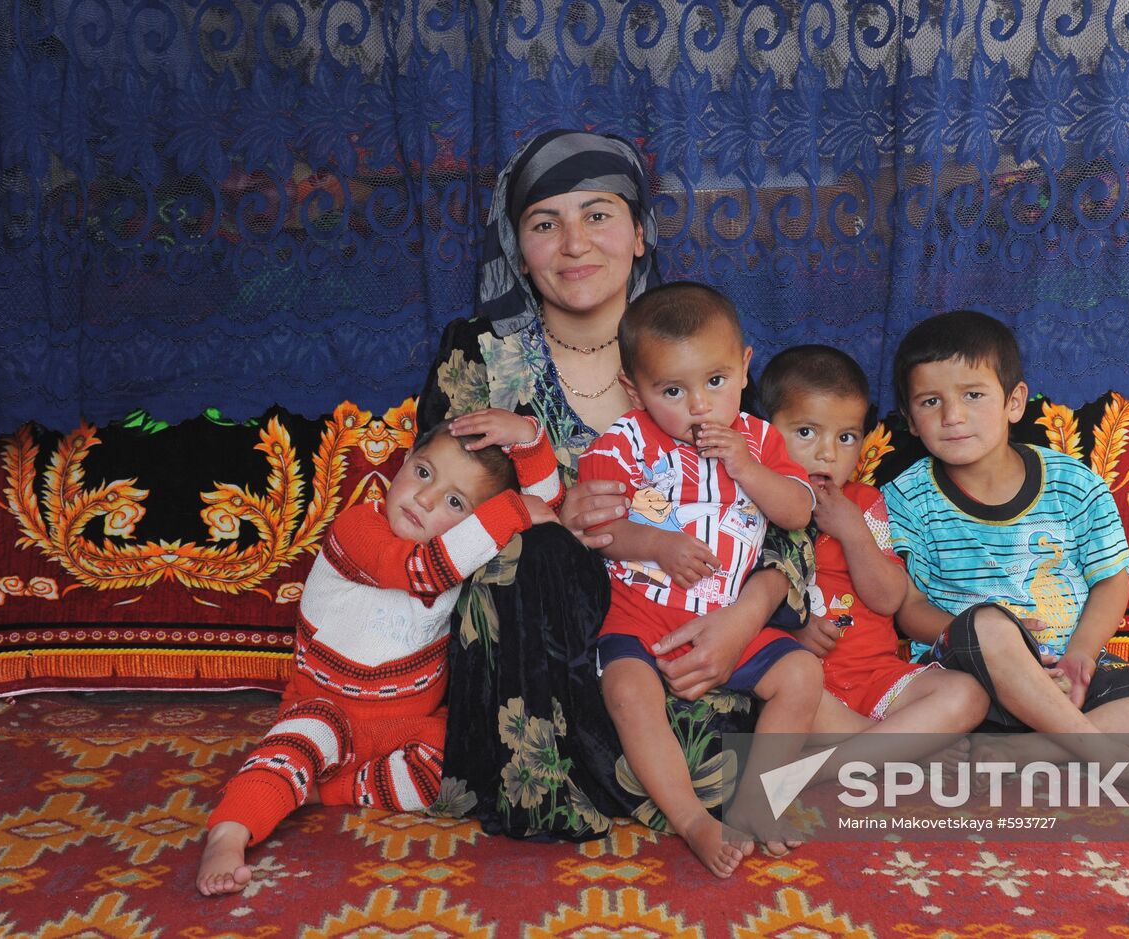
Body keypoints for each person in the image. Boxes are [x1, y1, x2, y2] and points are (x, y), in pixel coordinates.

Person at [414, 129, 812, 840]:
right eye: (544, 223)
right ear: (516, 246)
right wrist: (551, 515)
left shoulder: (693, 342)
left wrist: (746, 616)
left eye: (597, 214)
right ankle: (563, 783)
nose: (574, 244)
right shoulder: (480, 355)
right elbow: (433, 506)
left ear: (638, 232)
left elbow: (785, 508)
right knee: (531, 559)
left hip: (707, 623)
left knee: (783, 694)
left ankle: (732, 776)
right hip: (554, 649)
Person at [197, 412, 561, 896]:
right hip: (326, 708)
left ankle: (327, 789)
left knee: (460, 765)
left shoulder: (464, 548)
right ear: (405, 461)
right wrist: (512, 511)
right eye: (424, 473)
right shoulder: (359, 529)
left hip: (404, 726)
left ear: (473, 524)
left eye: (455, 502)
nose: (425, 499)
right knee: (296, 745)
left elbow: (547, 506)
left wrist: (528, 438)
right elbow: (417, 571)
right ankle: (230, 831)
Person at [885, 310, 1129, 809]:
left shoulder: (1075, 485)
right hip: (970, 682)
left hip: (1067, 678)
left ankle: (1025, 752)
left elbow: (1111, 583)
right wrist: (994, 635)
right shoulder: (908, 498)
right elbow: (908, 608)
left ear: (1014, 401)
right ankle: (1112, 761)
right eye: (931, 402)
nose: (952, 416)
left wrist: (1081, 657)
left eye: (973, 395)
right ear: (912, 420)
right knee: (991, 624)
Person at [579, 282, 820, 876]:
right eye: (672, 390)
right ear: (634, 391)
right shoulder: (623, 444)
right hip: (641, 616)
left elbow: (796, 513)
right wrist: (656, 543)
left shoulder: (762, 440)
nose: (699, 406)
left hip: (726, 613)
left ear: (743, 368)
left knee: (802, 672)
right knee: (628, 693)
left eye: (715, 381)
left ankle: (763, 801)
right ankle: (692, 820)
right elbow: (599, 528)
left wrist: (746, 466)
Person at [759, 345, 990, 753]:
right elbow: (725, 601)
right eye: (806, 432)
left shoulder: (864, 503)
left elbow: (887, 599)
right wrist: (790, 625)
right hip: (806, 686)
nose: (828, 452)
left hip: (877, 677)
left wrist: (853, 531)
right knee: (785, 698)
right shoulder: (750, 504)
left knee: (968, 695)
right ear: (763, 430)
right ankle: (899, 750)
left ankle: (855, 757)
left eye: (846, 437)